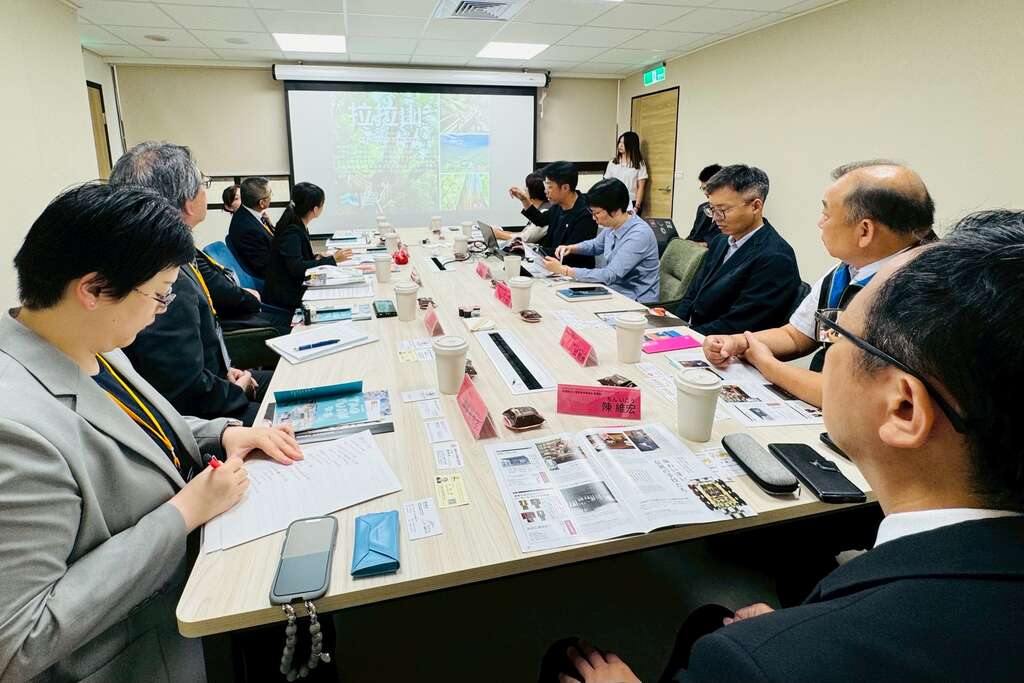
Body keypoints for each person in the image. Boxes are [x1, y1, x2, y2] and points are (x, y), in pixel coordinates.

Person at [540, 211, 1024, 683]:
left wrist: (787, 638)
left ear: (903, 408)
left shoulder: (757, 663)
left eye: (840, 337)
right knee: (706, 620)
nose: (826, 348)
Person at [0, 182, 304, 683]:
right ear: (93, 290)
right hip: (145, 650)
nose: (162, 309)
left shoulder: (86, 340)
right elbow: (20, 640)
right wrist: (182, 514)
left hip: (200, 582)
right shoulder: (15, 429)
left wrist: (222, 435)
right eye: (159, 294)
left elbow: (136, 430)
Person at [702, 160, 935, 407]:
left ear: (865, 231)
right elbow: (796, 336)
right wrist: (739, 342)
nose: (820, 223)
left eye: (827, 214)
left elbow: (853, 395)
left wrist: (768, 365)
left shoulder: (918, 291)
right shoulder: (847, 270)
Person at [110, 142, 272, 425]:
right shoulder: (164, 280)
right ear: (187, 202)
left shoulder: (160, 254)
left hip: (216, 380)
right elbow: (186, 393)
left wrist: (226, 373)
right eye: (203, 183)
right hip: (207, 418)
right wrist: (236, 390)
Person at [673, 164, 800, 335]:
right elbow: (693, 292)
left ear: (755, 206)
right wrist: (675, 327)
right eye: (712, 209)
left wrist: (688, 336)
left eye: (723, 210)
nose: (715, 218)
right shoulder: (720, 241)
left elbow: (738, 324)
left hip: (723, 343)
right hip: (693, 332)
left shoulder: (775, 257)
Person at [543, 178, 660, 304]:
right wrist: (571, 248)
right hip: (613, 291)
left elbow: (610, 275)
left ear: (615, 210)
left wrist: (565, 270)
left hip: (635, 300)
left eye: (596, 213)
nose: (593, 218)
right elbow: (595, 245)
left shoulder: (638, 235)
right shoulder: (614, 224)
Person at [264, 182, 353, 310]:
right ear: (315, 209)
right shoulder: (292, 232)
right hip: (289, 293)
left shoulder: (297, 222)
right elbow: (296, 268)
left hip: (295, 284)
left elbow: (296, 258)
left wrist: (316, 257)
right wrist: (332, 260)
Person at [510, 161, 598, 268]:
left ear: (565, 188)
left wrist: (532, 250)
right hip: (551, 265)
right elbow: (541, 220)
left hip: (572, 270)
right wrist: (524, 199)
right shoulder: (559, 205)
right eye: (546, 185)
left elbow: (569, 254)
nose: (546, 191)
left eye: (550, 187)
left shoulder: (586, 213)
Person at [228, 176, 275, 278]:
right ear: (262, 203)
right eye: (270, 193)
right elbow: (267, 268)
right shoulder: (249, 230)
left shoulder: (247, 213)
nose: (272, 196)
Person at [496, 171, 550, 242]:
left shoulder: (545, 211)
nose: (524, 188)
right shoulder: (539, 210)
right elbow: (523, 233)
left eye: (526, 186)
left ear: (532, 190)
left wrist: (497, 233)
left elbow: (525, 238)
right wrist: (499, 232)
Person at [604, 131, 648, 213]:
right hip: (614, 201)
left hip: (631, 202)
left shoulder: (639, 164)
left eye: (623, 143)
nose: (620, 145)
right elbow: (606, 184)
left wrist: (637, 207)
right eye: (619, 142)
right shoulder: (613, 162)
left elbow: (641, 187)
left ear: (631, 145)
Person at [685, 164, 722, 244]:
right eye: (703, 188)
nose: (705, 192)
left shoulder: (729, 211)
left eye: (707, 188)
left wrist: (705, 245)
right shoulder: (702, 208)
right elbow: (693, 235)